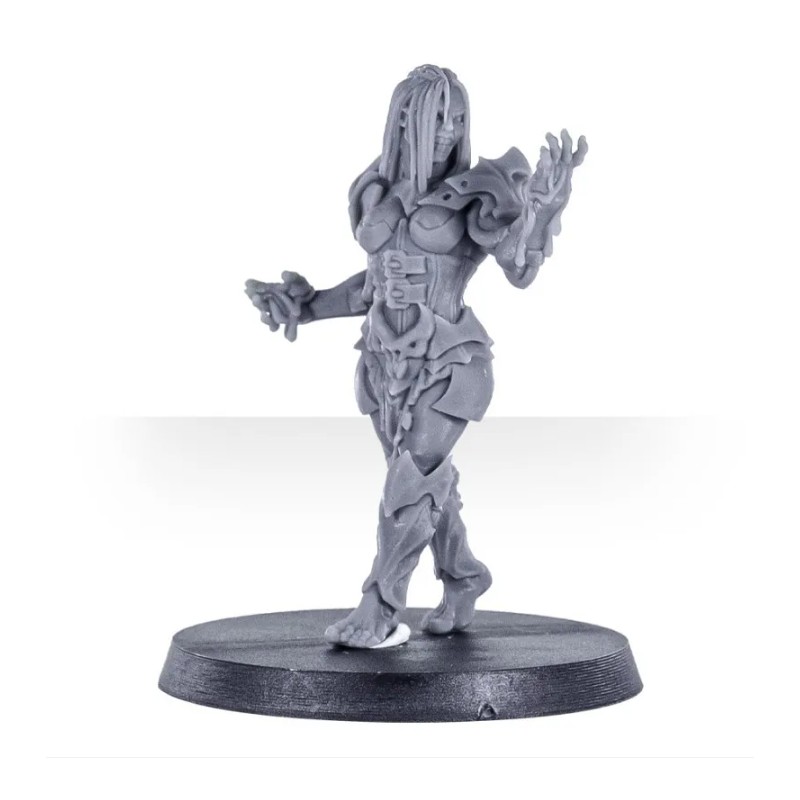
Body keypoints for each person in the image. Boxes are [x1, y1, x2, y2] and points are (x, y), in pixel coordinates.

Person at [245, 65, 586, 648]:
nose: (450, 128)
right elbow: (372, 287)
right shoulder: (374, 191)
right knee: (422, 482)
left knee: (409, 484)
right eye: (439, 115)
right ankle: (463, 575)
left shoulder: (481, 191)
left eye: (459, 117)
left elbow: (519, 266)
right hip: (384, 364)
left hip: (452, 362)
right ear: (405, 117)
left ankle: (379, 606)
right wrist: (307, 305)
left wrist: (542, 209)